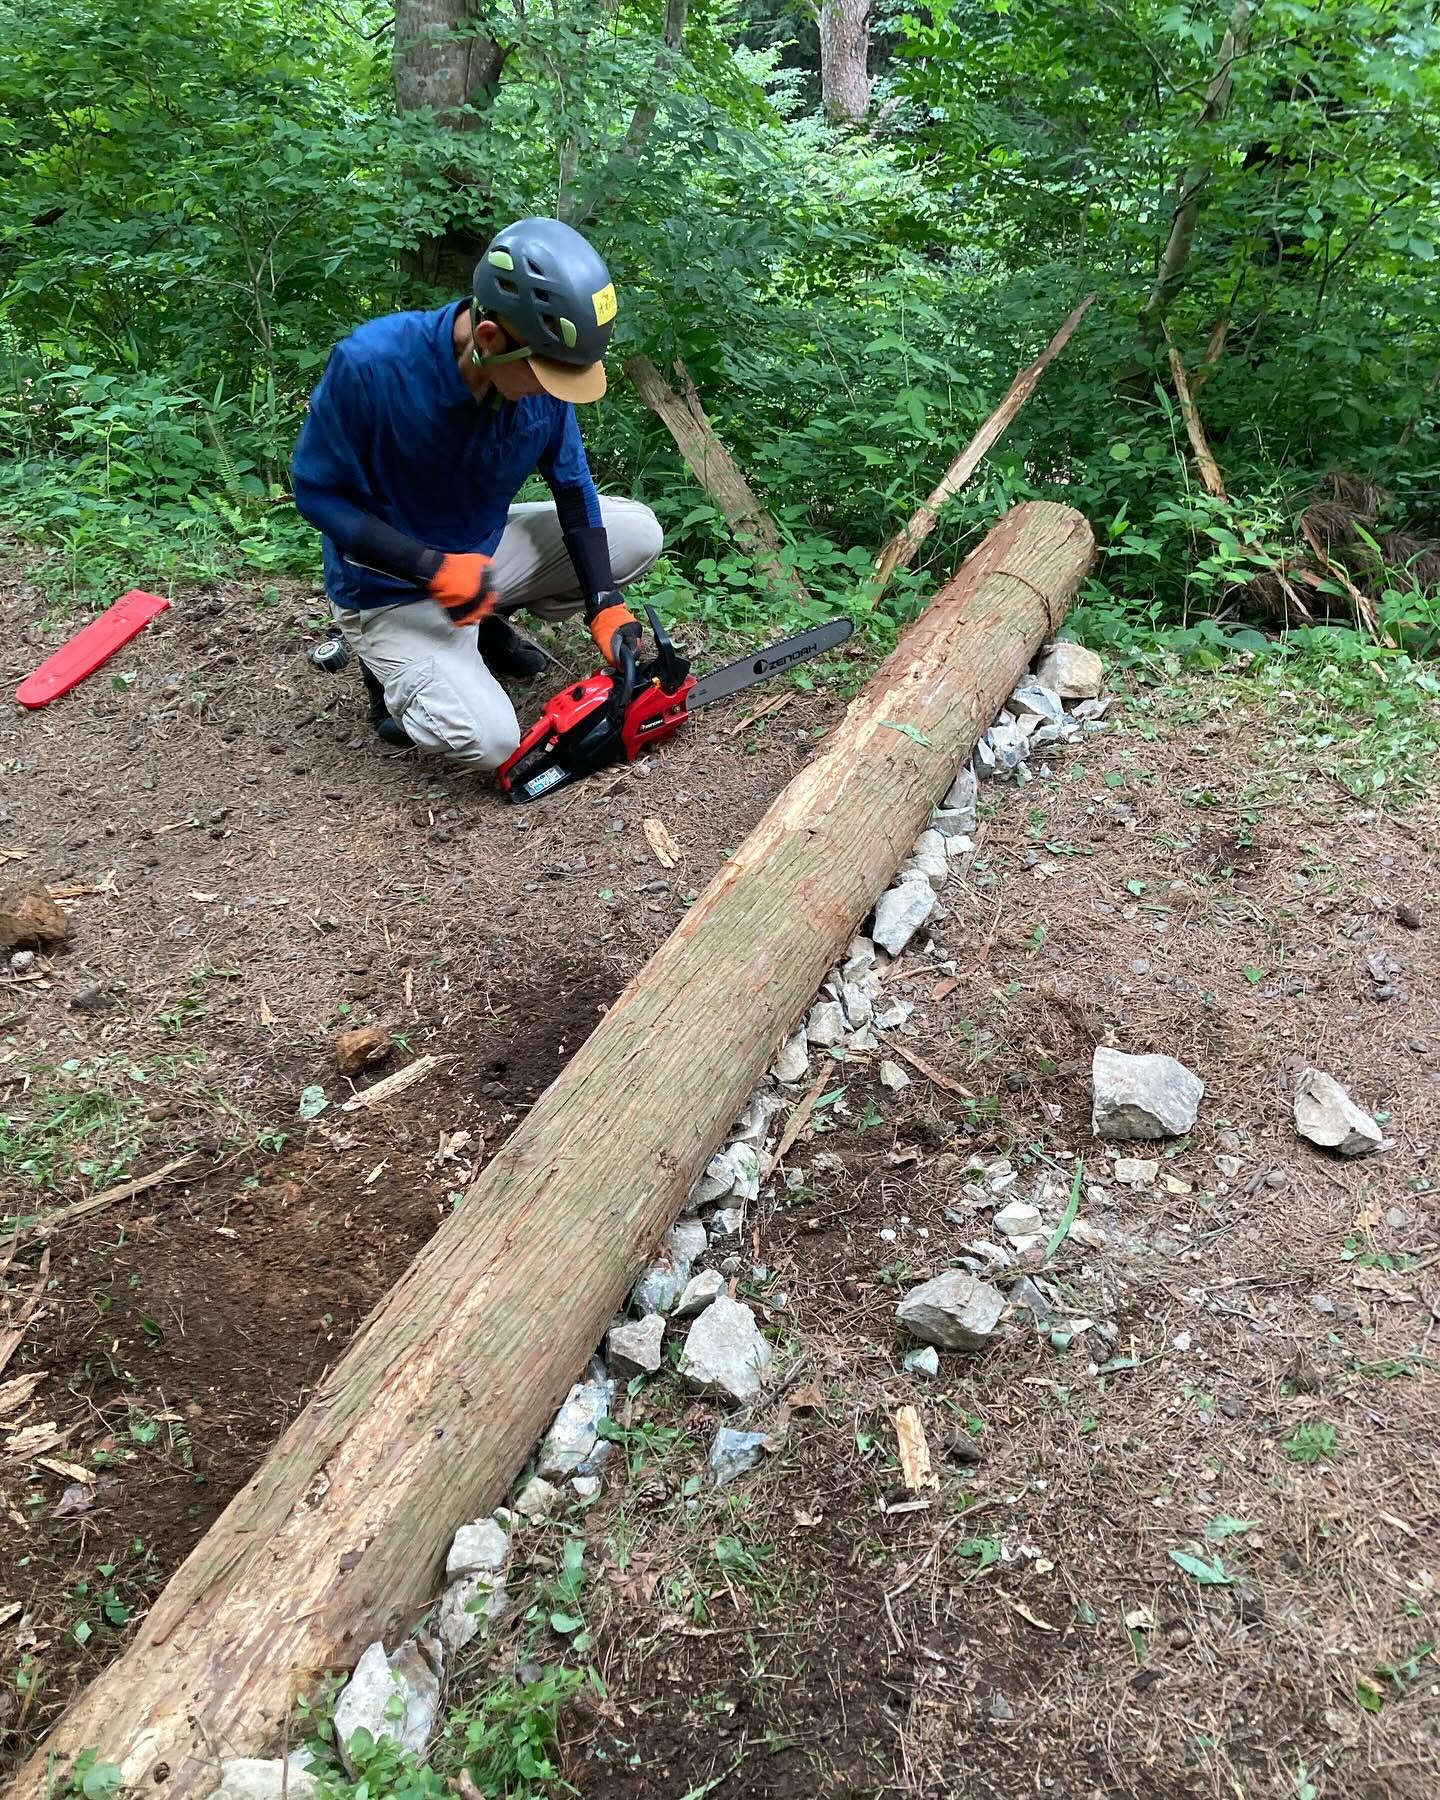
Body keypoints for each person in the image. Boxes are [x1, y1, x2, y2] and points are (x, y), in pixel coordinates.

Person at [290, 217, 663, 770]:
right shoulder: (373, 366)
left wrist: (603, 602)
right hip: (388, 587)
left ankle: (482, 623)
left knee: (637, 534)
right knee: (490, 743)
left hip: (478, 557)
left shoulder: (539, 370)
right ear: (489, 339)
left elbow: (572, 487)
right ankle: (386, 672)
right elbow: (317, 495)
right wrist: (429, 568)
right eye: (544, 376)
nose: (551, 392)